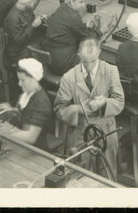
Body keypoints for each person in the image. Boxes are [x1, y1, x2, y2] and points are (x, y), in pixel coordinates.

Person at [54, 35, 125, 178]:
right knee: (81, 177)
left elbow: (119, 102)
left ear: (99, 52)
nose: (90, 66)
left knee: (108, 176)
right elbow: (58, 109)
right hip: (80, 133)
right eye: (85, 62)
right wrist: (79, 109)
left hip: (106, 132)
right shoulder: (69, 77)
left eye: (93, 61)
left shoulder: (111, 71)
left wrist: (105, 102)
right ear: (79, 55)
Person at [0, 58, 54, 150]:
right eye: (19, 80)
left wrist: (9, 130)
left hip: (35, 151)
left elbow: (31, 138)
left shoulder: (42, 102)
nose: (19, 83)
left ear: (33, 78)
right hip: (22, 144)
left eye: (22, 80)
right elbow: (25, 113)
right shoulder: (26, 94)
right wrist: (12, 109)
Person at [44, 0, 96, 76]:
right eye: (80, 2)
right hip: (63, 64)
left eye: (84, 1)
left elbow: (70, 25)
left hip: (52, 59)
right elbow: (88, 38)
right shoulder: (73, 16)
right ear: (72, 1)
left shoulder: (62, 8)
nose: (83, 5)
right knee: (94, 66)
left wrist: (84, 26)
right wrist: (101, 31)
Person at [2, 0, 46, 90]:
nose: (35, 1)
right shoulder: (13, 18)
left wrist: (41, 21)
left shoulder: (26, 8)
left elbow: (31, 20)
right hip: (18, 51)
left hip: (28, 43)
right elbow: (18, 41)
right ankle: (38, 86)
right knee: (47, 55)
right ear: (28, 0)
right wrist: (34, 25)